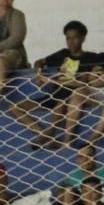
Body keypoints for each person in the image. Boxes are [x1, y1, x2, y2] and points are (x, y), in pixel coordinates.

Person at [11, 21, 92, 150]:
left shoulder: (89, 58)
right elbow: (39, 62)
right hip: (54, 95)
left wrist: (51, 81)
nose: (70, 42)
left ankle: (50, 135)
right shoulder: (62, 54)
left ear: (82, 38)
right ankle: (44, 134)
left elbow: (82, 82)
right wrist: (39, 73)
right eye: (68, 38)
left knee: (60, 105)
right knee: (15, 107)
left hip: (71, 96)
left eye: (74, 38)